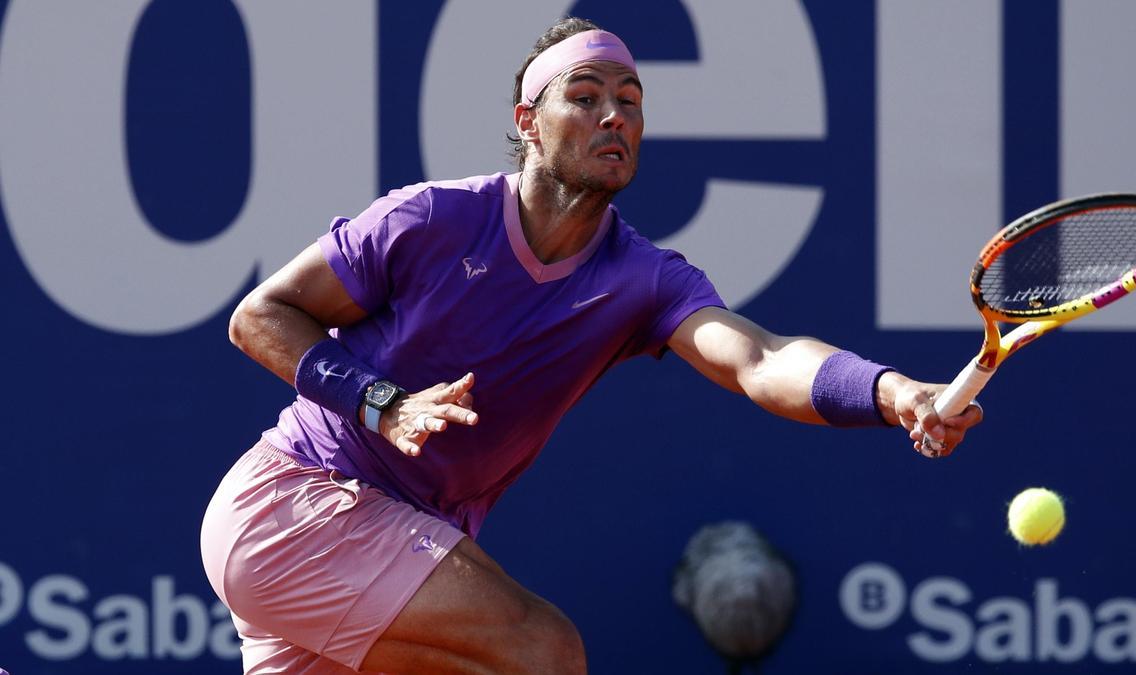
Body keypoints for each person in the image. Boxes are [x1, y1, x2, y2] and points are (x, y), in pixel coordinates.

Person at [200, 17, 982, 675]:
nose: (616, 115)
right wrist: (384, 403)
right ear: (527, 122)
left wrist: (892, 393)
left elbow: (763, 360)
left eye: (630, 101)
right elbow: (260, 316)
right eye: (586, 96)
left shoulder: (643, 281)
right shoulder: (429, 219)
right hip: (299, 503)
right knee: (544, 651)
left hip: (378, 538)